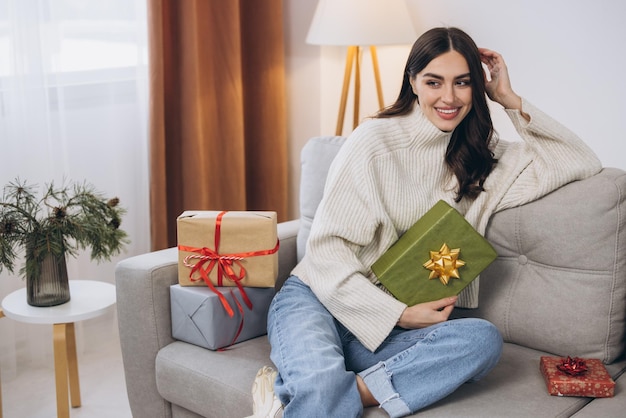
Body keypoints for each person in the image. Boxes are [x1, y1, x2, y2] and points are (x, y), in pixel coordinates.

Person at [247, 27, 601, 418]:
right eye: (434, 82)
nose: (449, 98)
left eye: (463, 83)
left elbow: (579, 161)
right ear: (413, 82)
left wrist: (507, 99)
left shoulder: (484, 160)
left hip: (387, 331)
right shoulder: (374, 141)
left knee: (482, 340)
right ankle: (324, 387)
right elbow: (327, 252)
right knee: (318, 389)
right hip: (318, 299)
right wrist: (396, 314)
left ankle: (337, 389)